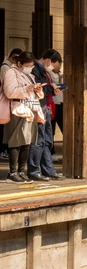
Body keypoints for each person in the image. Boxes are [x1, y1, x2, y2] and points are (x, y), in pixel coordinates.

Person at [3, 52, 44, 182]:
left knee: (27, 141)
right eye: (27, 65)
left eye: (31, 66)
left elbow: (35, 93)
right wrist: (28, 88)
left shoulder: (29, 75)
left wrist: (37, 90)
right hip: (18, 108)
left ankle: (22, 171)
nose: (29, 68)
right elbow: (10, 92)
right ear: (19, 63)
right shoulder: (11, 72)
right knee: (16, 141)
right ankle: (13, 172)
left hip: (30, 109)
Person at [28, 50, 63, 180]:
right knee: (39, 140)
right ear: (48, 60)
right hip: (39, 107)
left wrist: (53, 90)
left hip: (46, 107)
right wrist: (51, 89)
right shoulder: (36, 70)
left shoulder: (44, 72)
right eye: (53, 65)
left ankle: (48, 169)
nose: (52, 68)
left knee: (47, 140)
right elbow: (38, 89)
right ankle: (34, 170)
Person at [0, 48, 22, 161]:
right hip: (7, 99)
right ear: (13, 57)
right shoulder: (6, 67)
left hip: (10, 100)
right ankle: (4, 149)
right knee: (5, 125)